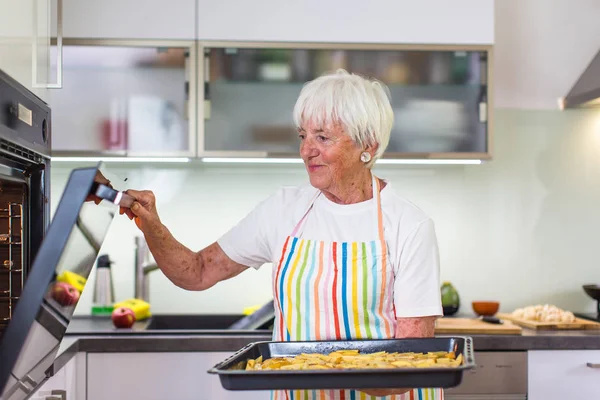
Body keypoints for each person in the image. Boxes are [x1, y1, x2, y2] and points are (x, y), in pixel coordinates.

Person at [121, 69, 443, 400]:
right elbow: (197, 272)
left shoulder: (409, 225)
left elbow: (412, 360)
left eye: (323, 137)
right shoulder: (284, 210)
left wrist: (323, 368)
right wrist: (151, 225)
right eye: (303, 136)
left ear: (368, 145)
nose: (306, 151)